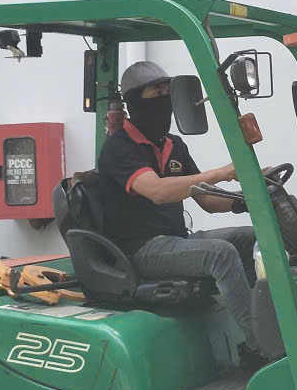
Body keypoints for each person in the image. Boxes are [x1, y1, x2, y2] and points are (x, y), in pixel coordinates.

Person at [96, 60, 264, 365]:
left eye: (167, 92)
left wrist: (248, 198)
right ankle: (260, 346)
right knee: (221, 253)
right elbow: (157, 191)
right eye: (155, 92)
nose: (164, 100)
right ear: (134, 101)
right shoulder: (119, 147)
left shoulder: (174, 145)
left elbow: (206, 199)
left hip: (176, 241)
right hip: (139, 249)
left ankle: (268, 326)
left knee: (253, 238)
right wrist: (222, 172)